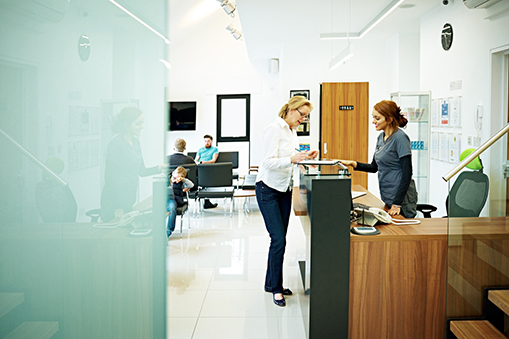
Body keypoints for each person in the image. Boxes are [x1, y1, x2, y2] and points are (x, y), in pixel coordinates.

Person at [255, 96, 318, 307]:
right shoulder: (274, 128)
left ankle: (270, 282)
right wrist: (293, 159)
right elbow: (268, 162)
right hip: (268, 189)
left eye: (306, 117)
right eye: (302, 115)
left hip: (284, 189)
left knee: (279, 240)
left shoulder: (292, 131)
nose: (303, 119)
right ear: (291, 110)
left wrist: (304, 157)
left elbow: (291, 156)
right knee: (279, 239)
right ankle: (276, 288)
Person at [340, 100, 418, 218]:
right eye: (373, 117)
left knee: (402, 232)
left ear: (389, 119)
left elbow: (407, 173)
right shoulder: (381, 137)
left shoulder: (400, 138)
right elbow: (374, 167)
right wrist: (352, 163)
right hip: (388, 194)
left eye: (377, 118)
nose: (373, 121)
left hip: (402, 199)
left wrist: (397, 204)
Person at [100, 106, 164, 222]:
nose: (142, 127)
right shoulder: (115, 144)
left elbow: (142, 171)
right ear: (126, 125)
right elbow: (109, 178)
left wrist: (160, 167)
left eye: (142, 123)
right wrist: (117, 207)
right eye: (138, 123)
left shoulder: (135, 143)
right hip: (114, 203)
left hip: (128, 198)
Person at [167, 166, 194, 238]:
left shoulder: (181, 182)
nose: (176, 180)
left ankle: (168, 230)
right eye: (175, 177)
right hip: (163, 199)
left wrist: (183, 180)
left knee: (172, 207)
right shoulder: (166, 178)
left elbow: (191, 185)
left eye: (178, 178)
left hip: (173, 200)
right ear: (173, 173)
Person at [194, 134, 219, 208]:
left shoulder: (215, 149)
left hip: (209, 167)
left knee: (204, 179)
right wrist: (198, 163)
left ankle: (206, 200)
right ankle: (205, 200)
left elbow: (213, 160)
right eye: (205, 141)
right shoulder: (200, 150)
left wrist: (204, 162)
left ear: (211, 141)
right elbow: (196, 160)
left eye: (208, 141)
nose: (207, 143)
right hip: (200, 167)